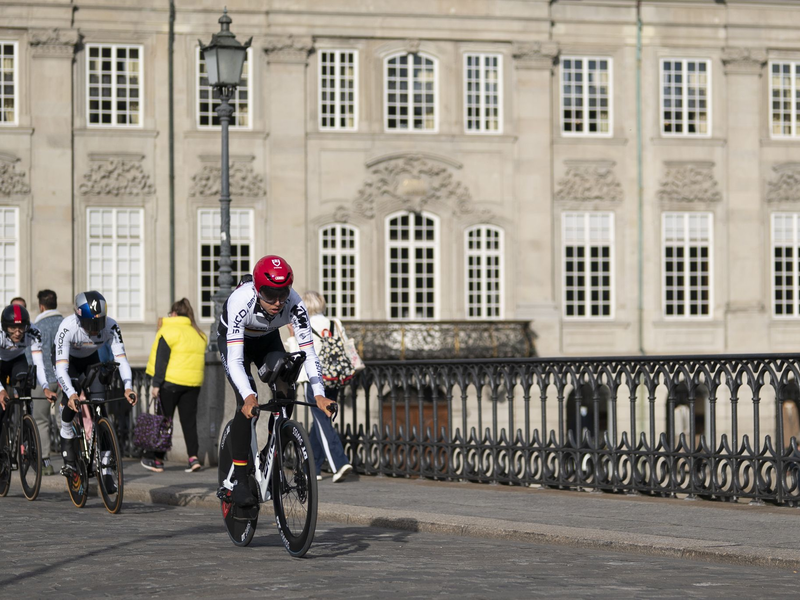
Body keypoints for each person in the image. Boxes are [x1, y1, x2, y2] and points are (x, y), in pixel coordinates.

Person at [219, 255, 335, 508]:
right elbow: (237, 361)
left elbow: (309, 352)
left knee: (286, 386)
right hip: (236, 343)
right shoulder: (241, 301)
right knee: (247, 404)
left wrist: (319, 394)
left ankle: (270, 454)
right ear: (258, 290)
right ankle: (239, 480)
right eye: (270, 295)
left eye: (282, 294)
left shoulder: (294, 303)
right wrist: (249, 396)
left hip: (267, 339)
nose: (277, 302)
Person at [55, 291, 137, 485]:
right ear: (78, 317)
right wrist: (72, 394)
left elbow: (122, 359)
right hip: (70, 363)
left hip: (91, 360)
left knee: (101, 408)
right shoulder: (67, 328)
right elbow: (60, 369)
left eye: (98, 325)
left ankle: (106, 465)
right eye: (90, 325)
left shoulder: (111, 326)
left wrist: (128, 387)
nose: (94, 330)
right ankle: (67, 441)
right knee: (71, 400)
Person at [294, 291, 353, 483]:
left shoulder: (304, 323)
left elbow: (297, 351)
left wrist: (290, 335)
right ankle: (312, 467)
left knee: (321, 420)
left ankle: (339, 463)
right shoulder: (334, 322)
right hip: (334, 375)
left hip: (315, 378)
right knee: (318, 421)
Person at [143, 298, 207, 473]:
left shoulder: (168, 330)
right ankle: (193, 458)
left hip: (170, 383)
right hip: (192, 384)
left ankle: (157, 459)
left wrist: (156, 385)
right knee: (189, 423)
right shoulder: (198, 333)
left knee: (164, 421)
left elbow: (161, 361)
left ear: (174, 313)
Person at [0, 305, 56, 427]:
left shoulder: (33, 332)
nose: (17, 333)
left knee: (25, 379)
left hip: (17, 360)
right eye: (12, 328)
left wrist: (45, 387)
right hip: (1, 362)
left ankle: (26, 422)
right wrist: (1, 390)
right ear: (5, 327)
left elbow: (38, 363)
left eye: (21, 328)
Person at [32, 290, 63, 475]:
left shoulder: (37, 326)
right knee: (64, 420)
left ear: (41, 306)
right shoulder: (65, 323)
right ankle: (72, 459)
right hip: (62, 380)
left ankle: (45, 463)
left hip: (42, 381)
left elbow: (30, 357)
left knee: (41, 421)